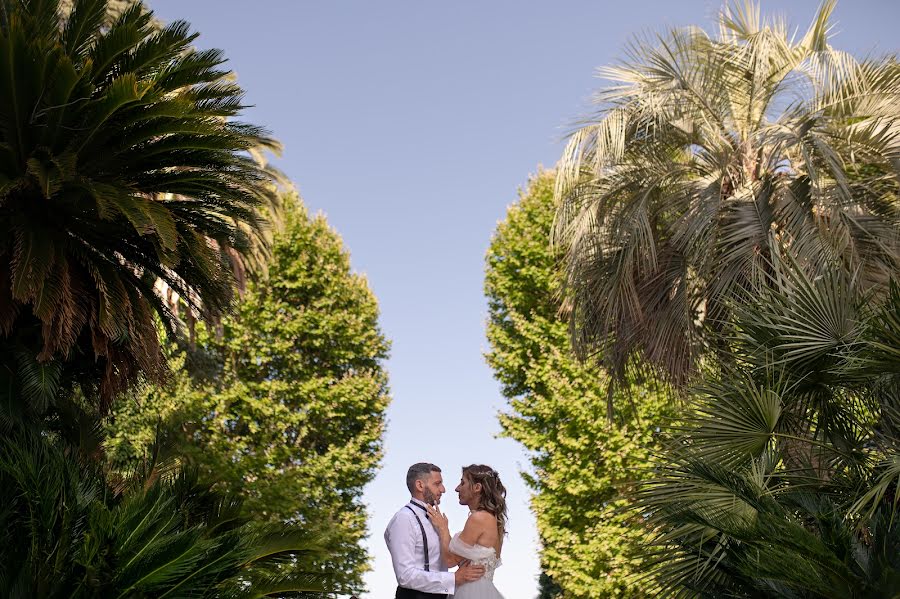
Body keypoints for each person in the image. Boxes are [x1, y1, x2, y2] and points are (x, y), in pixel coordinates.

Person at [385, 462, 486, 598]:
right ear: (420, 485)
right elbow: (405, 576)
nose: (443, 489)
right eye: (437, 484)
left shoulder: (436, 519)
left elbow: (442, 562)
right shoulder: (404, 519)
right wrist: (453, 579)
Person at [426, 464, 507, 599]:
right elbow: (459, 557)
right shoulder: (492, 519)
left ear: (477, 488)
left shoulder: (479, 518)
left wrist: (443, 528)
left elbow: (450, 560)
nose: (457, 488)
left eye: (463, 483)